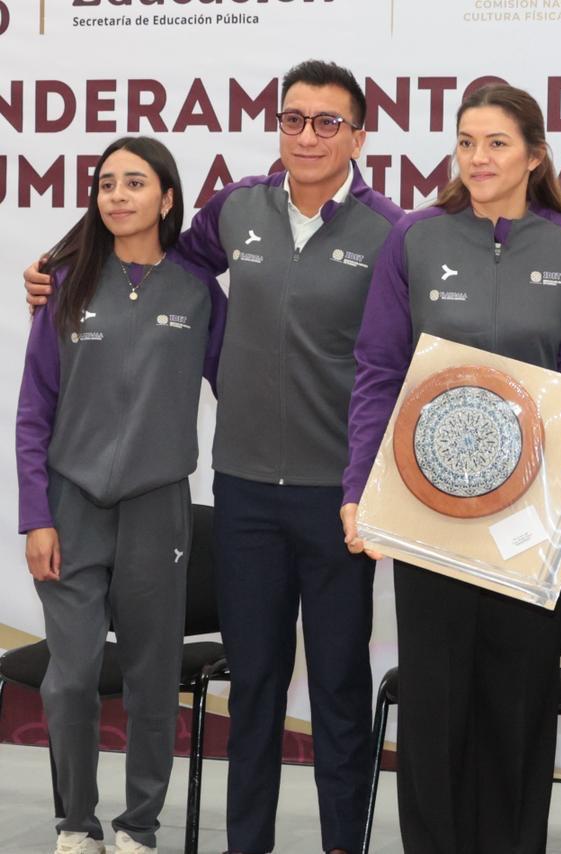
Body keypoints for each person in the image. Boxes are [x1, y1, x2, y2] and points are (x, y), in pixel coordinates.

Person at [23, 59, 403, 854]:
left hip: (340, 496)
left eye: (327, 122)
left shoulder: (392, 231)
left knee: (338, 683)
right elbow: (153, 252)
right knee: (255, 684)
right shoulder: (236, 210)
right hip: (245, 495)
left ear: (358, 136)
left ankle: (342, 843)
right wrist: (58, 267)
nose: (307, 136)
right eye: (293, 119)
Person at [341, 83, 561, 854]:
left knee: (518, 706)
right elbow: (378, 372)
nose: (477, 158)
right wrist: (358, 492)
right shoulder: (415, 238)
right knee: (435, 708)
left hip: (528, 524)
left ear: (535, 155)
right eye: (465, 142)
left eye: (495, 143)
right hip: (428, 515)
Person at [16, 136, 225, 854]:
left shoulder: (197, 289)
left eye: (135, 183)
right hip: (69, 508)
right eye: (107, 183)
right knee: (70, 680)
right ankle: (76, 823)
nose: (117, 195)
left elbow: (243, 383)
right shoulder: (64, 280)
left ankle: (139, 827)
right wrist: (36, 515)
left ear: (167, 199)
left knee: (151, 680)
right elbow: (34, 410)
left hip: (157, 507)